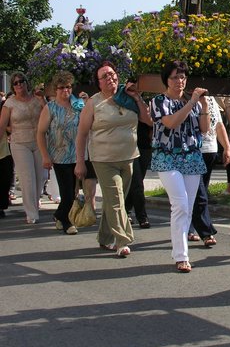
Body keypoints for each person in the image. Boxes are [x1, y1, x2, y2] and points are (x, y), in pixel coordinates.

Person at [75, 61, 151, 258]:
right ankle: (123, 240)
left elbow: (148, 120)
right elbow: (82, 134)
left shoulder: (127, 97)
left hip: (128, 158)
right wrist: (80, 162)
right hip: (103, 160)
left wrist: (137, 97)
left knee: (114, 201)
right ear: (98, 83)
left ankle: (104, 236)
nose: (110, 78)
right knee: (116, 200)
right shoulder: (93, 103)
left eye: (112, 74)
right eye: (104, 76)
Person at [149, 60, 209, 272]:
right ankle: (181, 255)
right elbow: (171, 123)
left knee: (188, 207)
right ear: (166, 79)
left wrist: (204, 107)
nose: (179, 81)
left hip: (191, 157)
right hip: (167, 158)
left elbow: (204, 129)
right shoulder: (158, 101)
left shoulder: (191, 102)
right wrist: (192, 102)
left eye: (182, 77)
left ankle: (181, 252)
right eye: (175, 77)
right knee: (180, 204)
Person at [36, 71, 84, 235]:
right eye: (62, 88)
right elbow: (41, 132)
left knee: (73, 190)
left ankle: (59, 214)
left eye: (69, 87)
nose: (66, 91)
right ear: (55, 90)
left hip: (77, 154)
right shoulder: (51, 108)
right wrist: (45, 155)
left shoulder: (77, 105)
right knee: (67, 192)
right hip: (59, 155)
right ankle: (66, 221)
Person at [0, 72, 46, 224]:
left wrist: (43, 101)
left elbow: (49, 117)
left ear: (27, 83)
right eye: (15, 83)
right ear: (13, 87)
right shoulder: (9, 103)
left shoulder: (37, 99)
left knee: (40, 177)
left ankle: (34, 205)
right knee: (27, 178)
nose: (19, 85)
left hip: (38, 141)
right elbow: (1, 125)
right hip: (19, 142)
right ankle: (31, 213)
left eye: (22, 81)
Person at [188, 94, 230, 246]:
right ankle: (206, 232)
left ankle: (190, 228)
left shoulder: (211, 99)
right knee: (200, 195)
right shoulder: (187, 98)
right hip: (193, 152)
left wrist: (226, 147)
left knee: (200, 192)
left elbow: (218, 124)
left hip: (210, 151)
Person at [125, 119, 152, 229]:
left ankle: (126, 210)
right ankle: (142, 217)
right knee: (137, 183)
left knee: (137, 181)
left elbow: (150, 121)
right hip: (129, 146)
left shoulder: (149, 101)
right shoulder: (126, 102)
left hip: (145, 144)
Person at [0, 96, 14, 219]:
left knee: (5, 180)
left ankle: (1, 206)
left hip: (4, 151)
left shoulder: (4, 108)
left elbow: (10, 128)